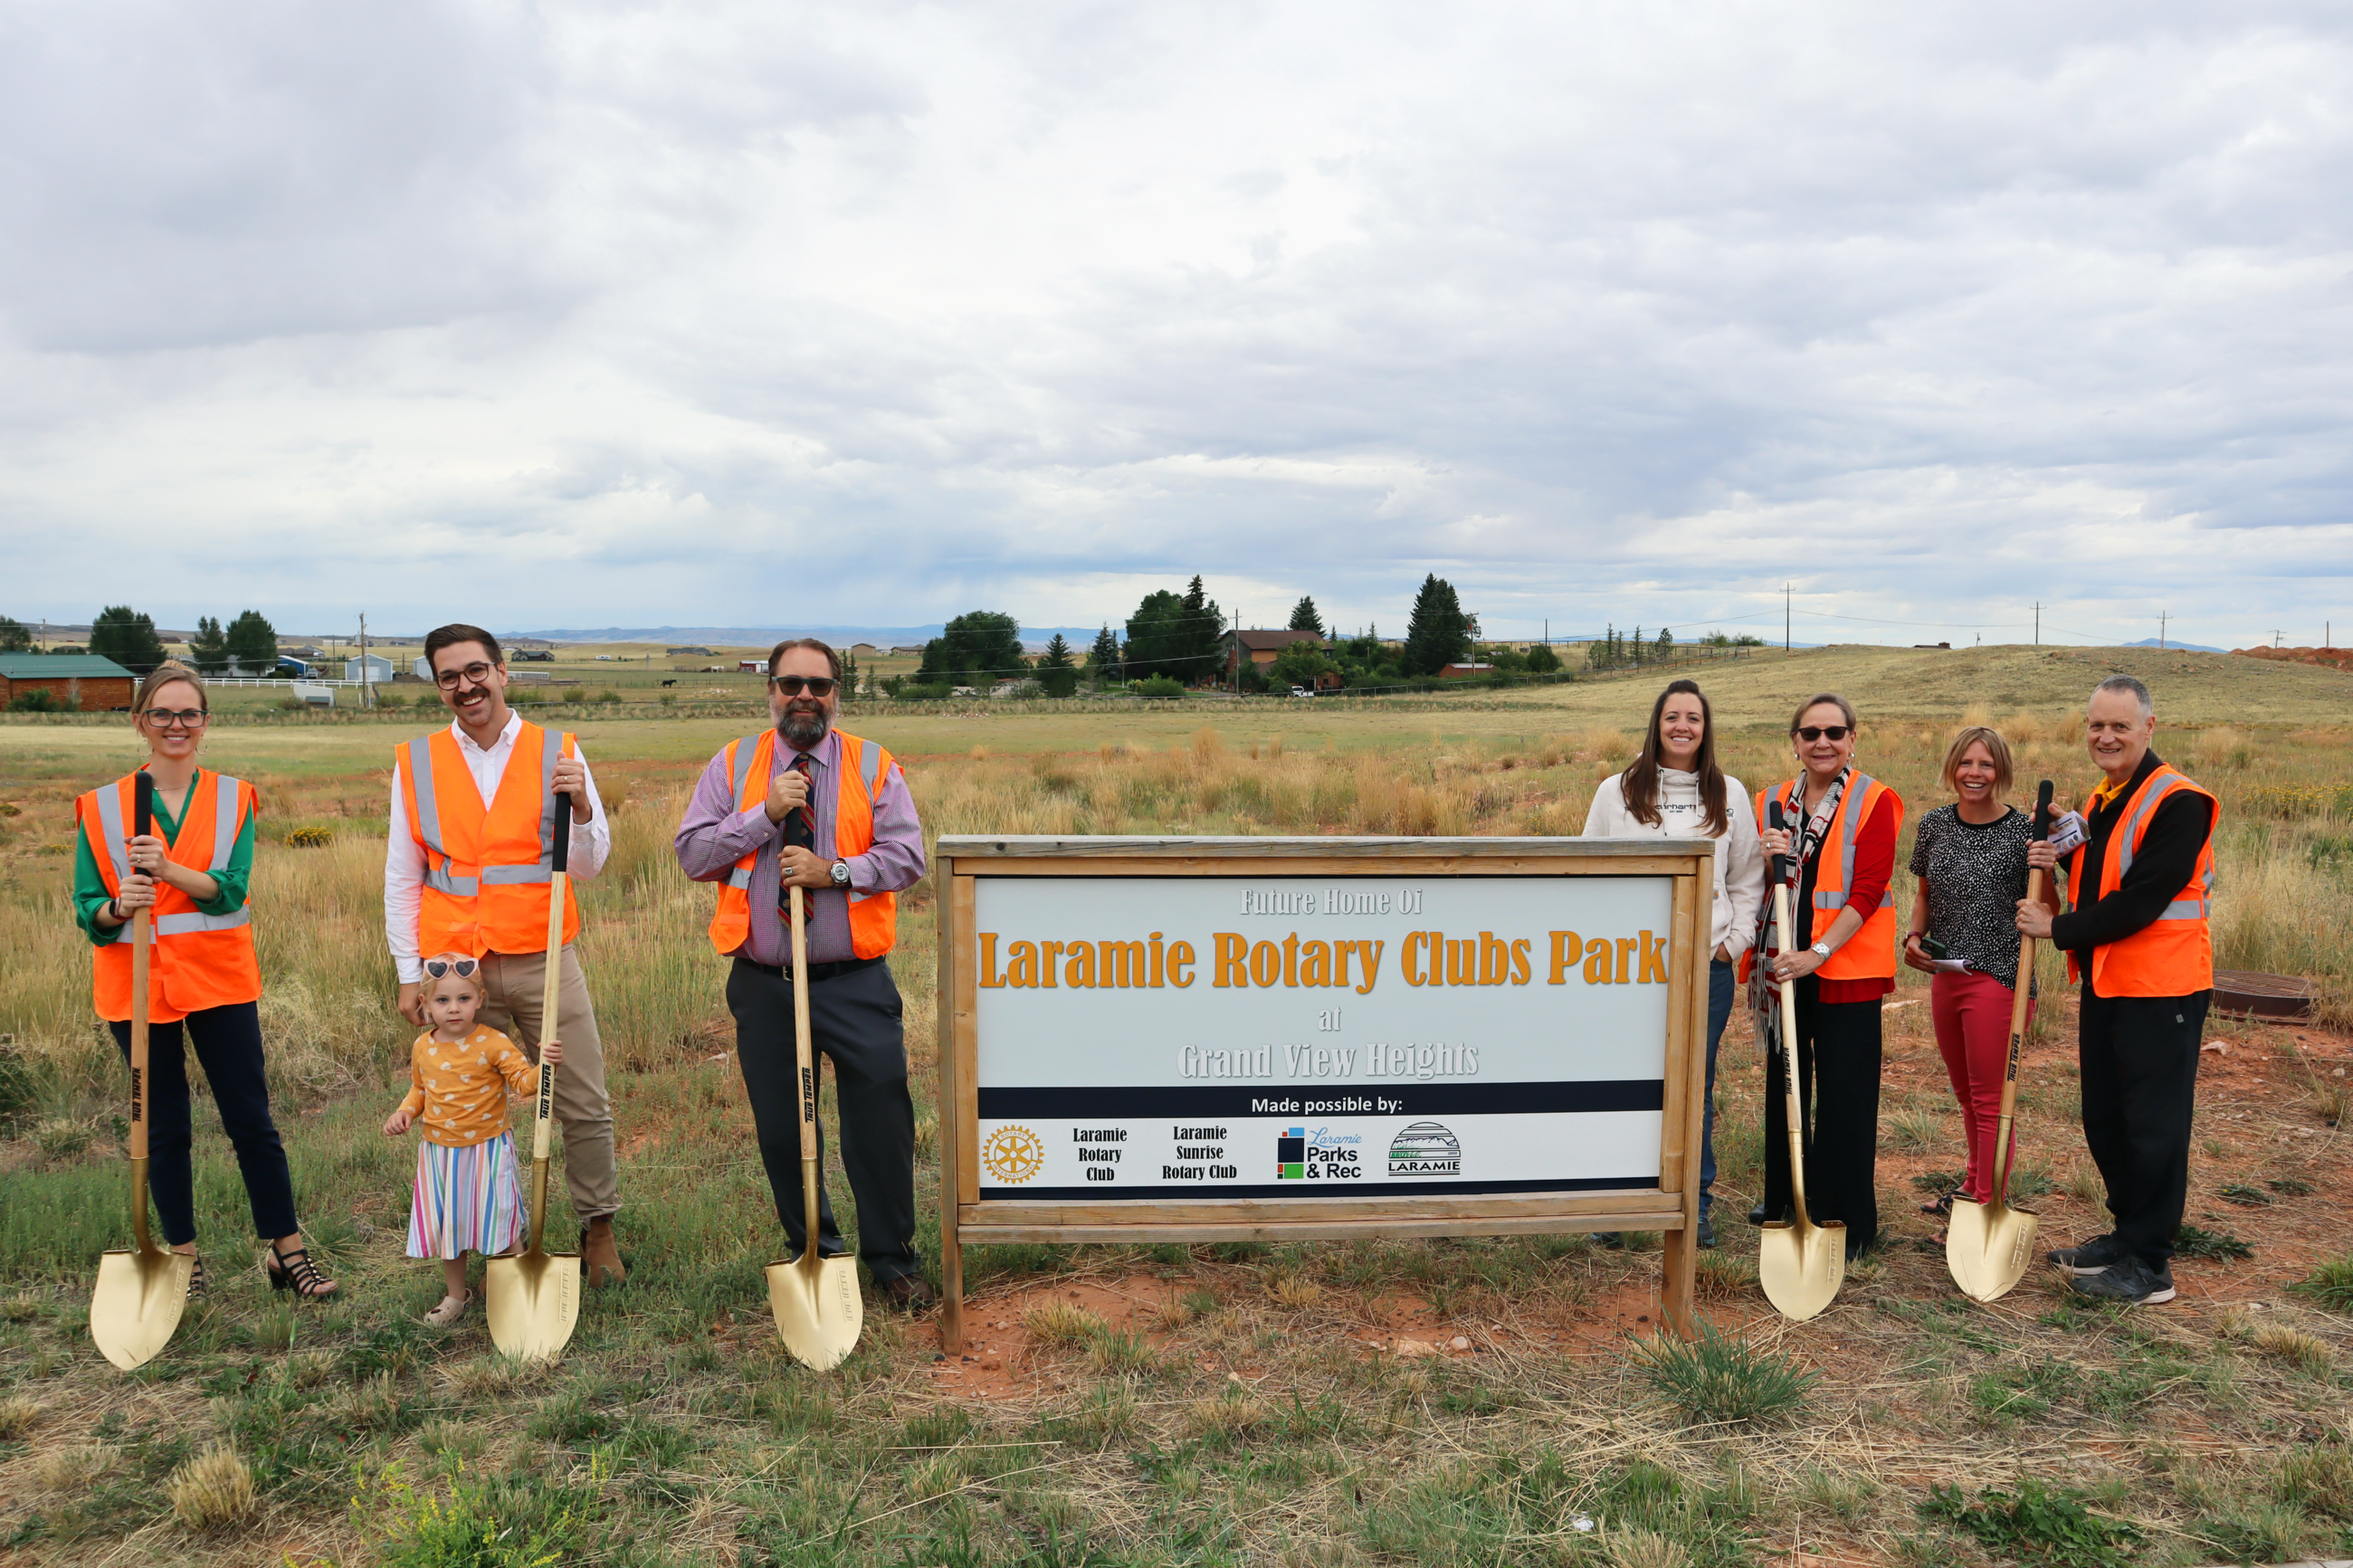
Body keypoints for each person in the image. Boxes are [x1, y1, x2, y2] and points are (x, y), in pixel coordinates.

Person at [673, 637, 933, 1309]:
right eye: (791, 683)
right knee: (786, 1127)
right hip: (765, 983)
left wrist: (836, 872)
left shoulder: (873, 763)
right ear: (771, 690)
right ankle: (814, 1247)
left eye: (818, 684)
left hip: (855, 980)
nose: (804, 696)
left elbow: (907, 857)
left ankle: (891, 1257)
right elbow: (694, 853)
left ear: (837, 691)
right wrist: (766, 814)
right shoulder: (734, 764)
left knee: (881, 1119)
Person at [72, 662, 339, 1298]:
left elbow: (231, 892)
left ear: (205, 722)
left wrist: (167, 869)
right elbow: (90, 909)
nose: (176, 725)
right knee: (162, 1127)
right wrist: (118, 905)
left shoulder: (233, 797)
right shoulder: (100, 806)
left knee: (251, 1118)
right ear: (141, 720)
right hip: (135, 988)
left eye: (188, 713)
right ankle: (185, 1259)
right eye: (162, 713)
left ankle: (287, 1250)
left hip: (219, 979)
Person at [385, 624, 626, 1287]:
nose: (465, 686)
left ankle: (597, 1226)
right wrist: (411, 974)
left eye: (475, 671)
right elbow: (403, 875)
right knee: (461, 1106)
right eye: (448, 677)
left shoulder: (559, 751)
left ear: (502, 671)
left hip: (542, 955)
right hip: (454, 971)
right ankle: (486, 1236)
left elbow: (592, 861)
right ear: (438, 686)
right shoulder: (417, 760)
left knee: (578, 1094)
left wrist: (579, 805)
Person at [2018, 675, 2216, 1307]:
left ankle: (2151, 1262)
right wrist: (2062, 851)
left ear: (2149, 728)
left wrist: (2057, 928)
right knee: (2108, 1117)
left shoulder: (2181, 801)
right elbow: (2103, 874)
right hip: (2109, 984)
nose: (2105, 736)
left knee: (2154, 1125)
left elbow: (2142, 899)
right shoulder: (2106, 799)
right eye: (2096, 725)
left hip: (2164, 989)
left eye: (2120, 726)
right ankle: (2126, 1234)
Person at [1581, 678, 1764, 1249]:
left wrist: (1729, 946)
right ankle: (1618, 1202)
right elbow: (1588, 871)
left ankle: (1694, 1203)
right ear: (1656, 725)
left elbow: (1748, 879)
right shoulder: (1618, 791)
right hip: (1630, 966)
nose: (1682, 727)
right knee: (1626, 1081)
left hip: (1701, 968)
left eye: (1694, 718)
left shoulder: (1728, 793)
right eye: (1672, 717)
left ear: (1706, 730)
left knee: (1694, 1085)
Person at [1749, 693, 1902, 1260]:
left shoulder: (1874, 799)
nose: (1822, 743)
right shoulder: (1769, 801)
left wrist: (1817, 952)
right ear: (1794, 741)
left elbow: (1866, 890)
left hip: (1845, 971)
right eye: (1810, 733)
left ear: (1852, 739)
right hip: (1783, 968)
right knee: (1784, 1084)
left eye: (1834, 732)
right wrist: (1770, 859)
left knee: (1845, 1096)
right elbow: (1762, 883)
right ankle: (1786, 1202)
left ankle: (1847, 1220)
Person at [1904, 727, 2060, 1240]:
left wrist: (2048, 872)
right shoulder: (1932, 825)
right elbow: (1925, 895)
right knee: (1966, 1095)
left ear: (2002, 772)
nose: (1975, 773)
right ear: (1953, 767)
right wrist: (1914, 936)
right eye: (1967, 763)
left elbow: (2048, 912)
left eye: (1987, 765)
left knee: (1993, 1100)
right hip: (1946, 975)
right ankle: (1973, 1187)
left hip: (2000, 979)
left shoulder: (2025, 834)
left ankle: (1984, 1208)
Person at [383, 955, 559, 1326]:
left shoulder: (492, 1043)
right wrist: (406, 1112)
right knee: (452, 1224)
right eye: (442, 1001)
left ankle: (517, 1287)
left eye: (463, 999)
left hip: (488, 1149)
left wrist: (544, 1066)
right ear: (425, 1005)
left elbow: (524, 1083)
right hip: (440, 1154)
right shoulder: (423, 1047)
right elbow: (419, 1089)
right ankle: (455, 1294)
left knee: (501, 1217)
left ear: (479, 999)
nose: (453, 1009)